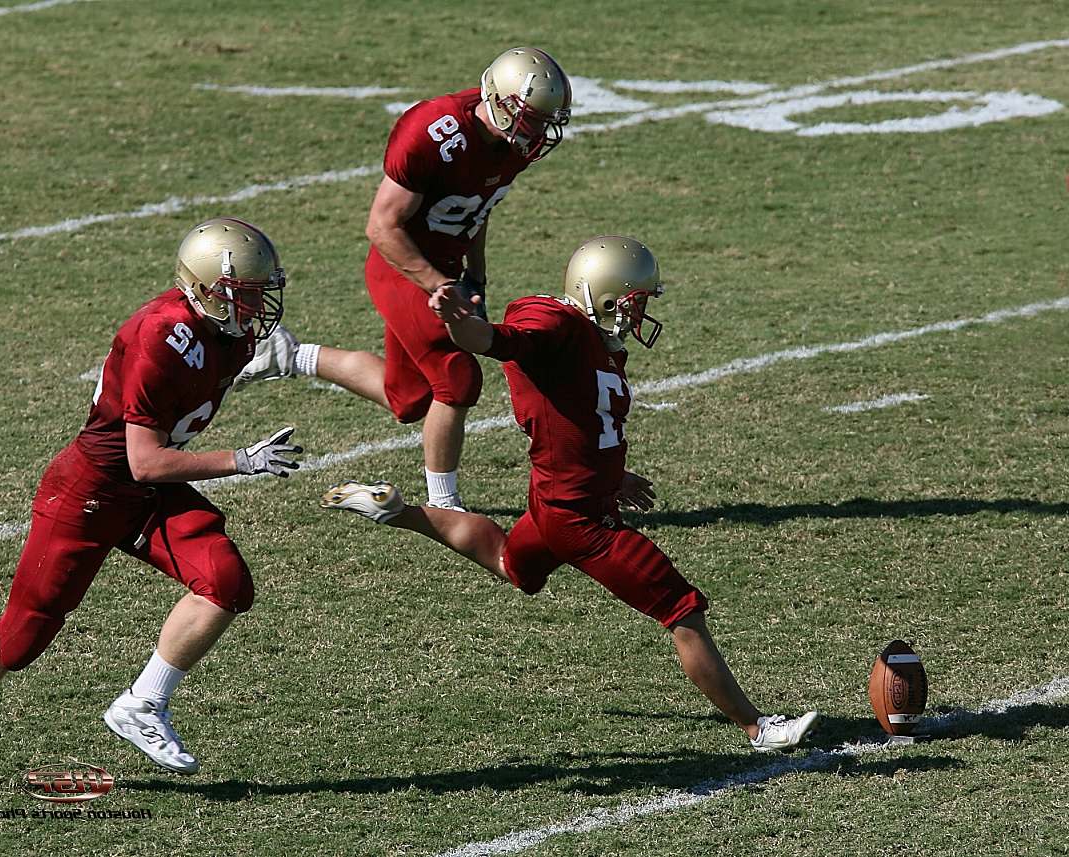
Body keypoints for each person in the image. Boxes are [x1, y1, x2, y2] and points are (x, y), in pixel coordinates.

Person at [321, 236, 820, 752]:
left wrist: (612, 475)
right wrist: (458, 321)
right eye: (635, 299)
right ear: (602, 294)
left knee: (509, 563)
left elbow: (578, 419)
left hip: (555, 504)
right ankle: (759, 727)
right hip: (583, 522)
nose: (641, 310)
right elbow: (493, 340)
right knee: (681, 610)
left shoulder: (592, 340)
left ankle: (397, 511)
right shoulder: (554, 324)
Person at [0, 217, 304, 798]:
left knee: (224, 580)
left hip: (142, 494)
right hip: (93, 489)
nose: (258, 305)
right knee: (24, 634)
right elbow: (144, 460)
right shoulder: (159, 336)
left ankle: (143, 703)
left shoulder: (232, 331)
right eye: (245, 293)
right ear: (208, 289)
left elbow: (266, 362)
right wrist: (240, 460)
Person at [239, 47, 573, 511]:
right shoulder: (434, 132)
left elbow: (477, 210)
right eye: (532, 119)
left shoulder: (511, 144)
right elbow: (381, 226)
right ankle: (444, 504)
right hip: (402, 268)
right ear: (500, 102)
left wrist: (475, 276)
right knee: (458, 381)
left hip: (445, 271)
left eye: (545, 121)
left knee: (408, 398)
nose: (539, 132)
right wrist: (439, 283)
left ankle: (290, 355)